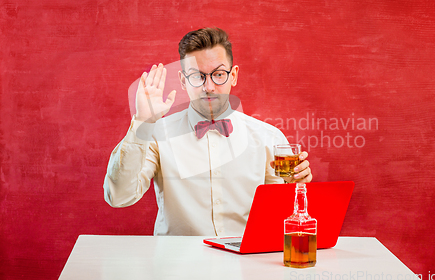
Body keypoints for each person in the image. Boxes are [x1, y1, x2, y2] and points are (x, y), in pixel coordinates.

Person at [104, 27, 312, 236]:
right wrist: (142, 122)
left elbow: (281, 217)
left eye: (219, 74)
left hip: (246, 264)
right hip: (177, 266)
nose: (209, 86)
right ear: (184, 80)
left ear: (234, 76)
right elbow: (119, 196)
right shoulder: (157, 134)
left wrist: (295, 187)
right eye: (197, 76)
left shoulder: (269, 138)